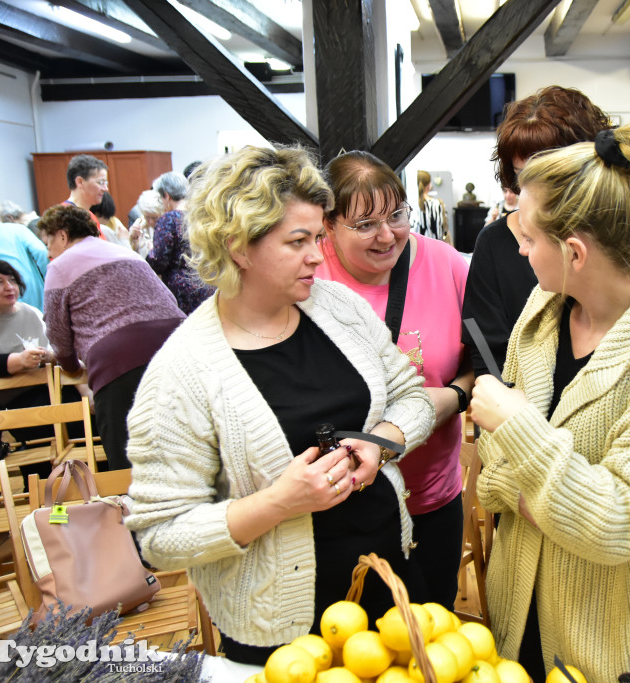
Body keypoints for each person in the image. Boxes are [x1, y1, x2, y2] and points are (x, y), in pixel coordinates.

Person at [124, 145, 434, 666]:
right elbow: (159, 537)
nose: (318, 255)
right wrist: (280, 503)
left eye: (318, 237)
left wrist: (380, 443)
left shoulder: (338, 308)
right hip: (280, 624)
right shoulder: (184, 372)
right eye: (298, 241)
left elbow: (409, 395)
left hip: (389, 578)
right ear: (238, 247)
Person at [470, 125, 630, 682]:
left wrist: (518, 429)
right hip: (520, 615)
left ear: (575, 252)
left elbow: (621, 524)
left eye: (529, 238)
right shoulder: (543, 314)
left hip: (608, 643)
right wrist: (536, 490)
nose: (518, 247)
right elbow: (490, 469)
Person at [316, 151, 471, 611]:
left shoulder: (447, 266)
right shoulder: (310, 275)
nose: (387, 236)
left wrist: (456, 395)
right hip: (342, 503)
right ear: (328, 226)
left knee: (431, 635)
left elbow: (484, 361)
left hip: (432, 493)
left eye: (397, 216)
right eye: (364, 225)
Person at [463, 85, 612, 377]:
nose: (535, 190)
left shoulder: (608, 247)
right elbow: (486, 354)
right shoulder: (495, 243)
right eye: (523, 175)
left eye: (547, 173)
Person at [37, 204, 185, 470]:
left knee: (127, 458)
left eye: (48, 243)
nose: (48, 253)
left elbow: (58, 333)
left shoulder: (60, 266)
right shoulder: (126, 253)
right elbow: (169, 300)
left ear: (61, 235)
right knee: (182, 446)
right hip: (177, 344)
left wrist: (71, 368)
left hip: (118, 359)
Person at [0, 258, 86, 446]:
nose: (9, 287)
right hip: (12, 400)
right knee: (39, 423)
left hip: (51, 387)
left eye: (12, 280)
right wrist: (20, 361)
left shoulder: (30, 313)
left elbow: (58, 350)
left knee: (82, 412)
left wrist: (48, 356)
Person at [146, 172, 215, 314]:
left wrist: (150, 252)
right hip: (206, 281)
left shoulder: (169, 219)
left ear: (167, 196)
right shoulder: (200, 214)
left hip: (181, 289)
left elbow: (159, 260)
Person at [0, 195, 48, 311]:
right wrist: (48, 280)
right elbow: (41, 251)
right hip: (28, 289)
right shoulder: (17, 229)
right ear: (0, 213)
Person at [62, 154, 108, 232]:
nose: (105, 189)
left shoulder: (90, 216)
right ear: (80, 182)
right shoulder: (63, 217)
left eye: (106, 183)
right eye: (100, 182)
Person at [412, 170, 449, 242]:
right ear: (429, 185)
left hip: (417, 248)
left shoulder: (411, 205)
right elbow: (443, 230)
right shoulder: (438, 204)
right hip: (435, 247)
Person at [128, 189, 162, 257]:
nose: (150, 221)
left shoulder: (167, 225)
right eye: (147, 217)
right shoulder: (140, 225)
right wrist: (133, 239)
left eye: (154, 218)